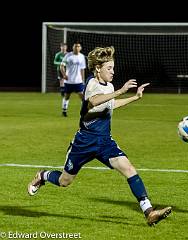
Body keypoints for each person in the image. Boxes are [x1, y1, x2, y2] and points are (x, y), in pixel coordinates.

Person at [28, 46, 172, 226]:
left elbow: (110, 104)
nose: (113, 71)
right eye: (109, 68)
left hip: (105, 142)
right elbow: (94, 102)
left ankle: (149, 212)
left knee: (129, 169)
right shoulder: (91, 83)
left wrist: (135, 98)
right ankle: (43, 175)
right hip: (84, 142)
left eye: (113, 67)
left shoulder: (109, 86)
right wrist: (120, 90)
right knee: (65, 181)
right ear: (98, 68)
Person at [60, 41, 86, 117]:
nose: (76, 48)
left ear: (80, 48)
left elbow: (82, 69)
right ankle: (64, 111)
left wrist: (83, 80)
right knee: (67, 96)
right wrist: (64, 75)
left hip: (78, 81)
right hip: (69, 81)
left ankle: (84, 112)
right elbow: (62, 66)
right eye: (75, 46)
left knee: (82, 97)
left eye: (78, 46)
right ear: (73, 47)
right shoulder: (68, 56)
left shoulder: (82, 56)